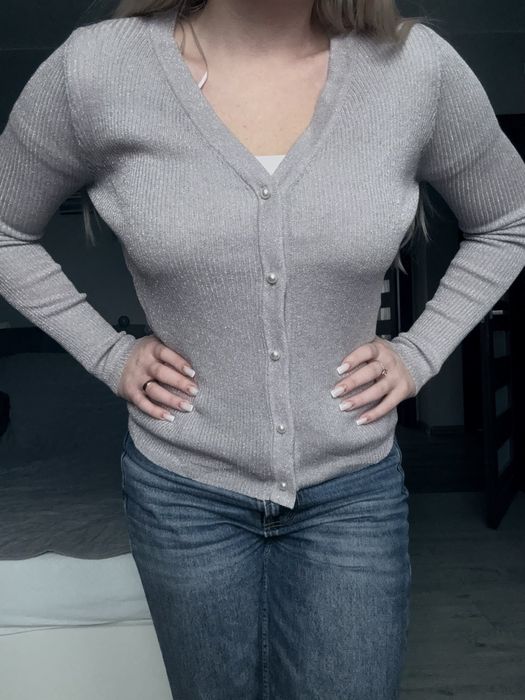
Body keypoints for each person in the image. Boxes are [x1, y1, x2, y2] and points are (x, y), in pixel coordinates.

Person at [1, 1, 524, 698]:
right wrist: (106, 353)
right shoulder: (96, 69)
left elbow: (509, 220)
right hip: (181, 492)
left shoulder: (413, 69)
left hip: (353, 492)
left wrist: (421, 351)